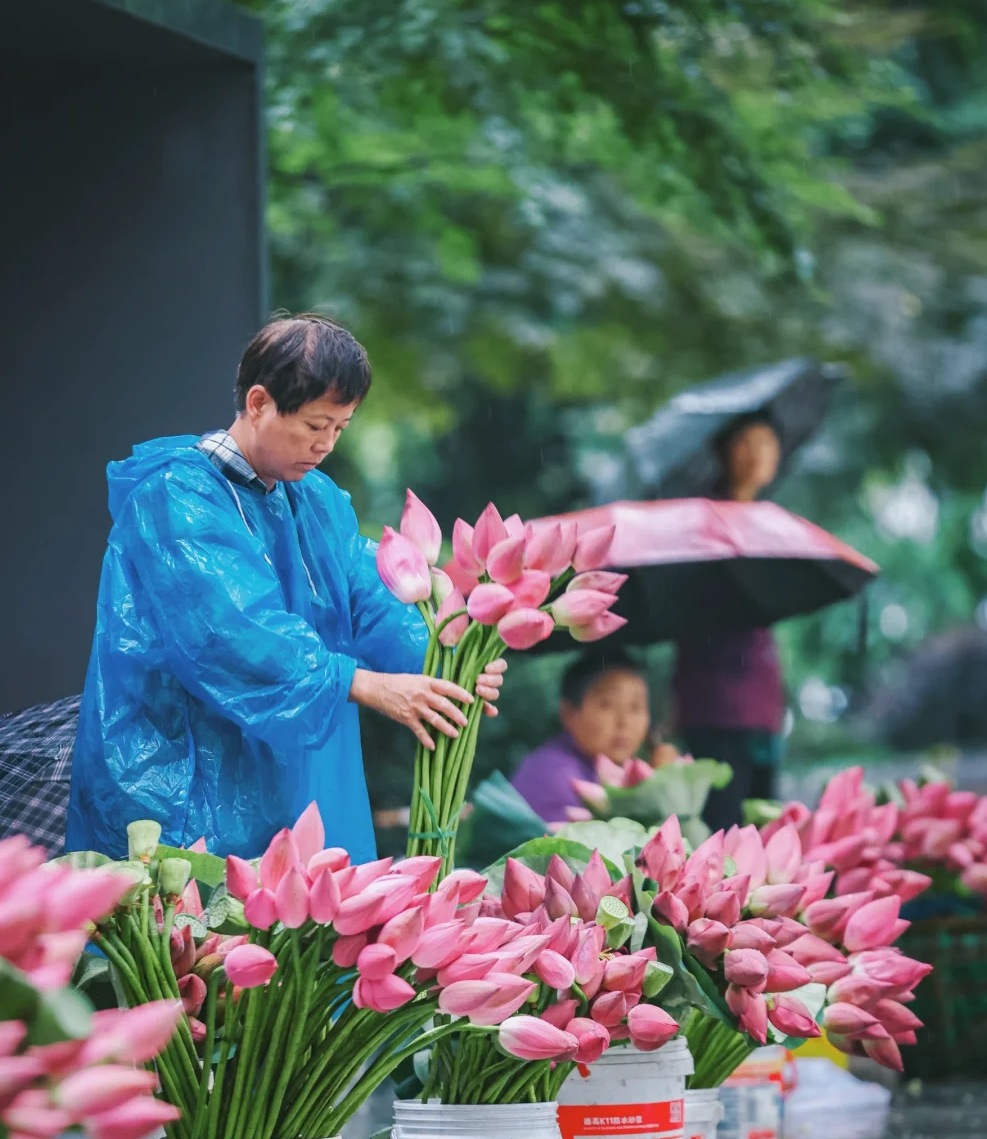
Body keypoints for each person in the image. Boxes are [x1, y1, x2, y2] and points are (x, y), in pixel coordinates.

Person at [66, 314, 505, 862]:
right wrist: (363, 684)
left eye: (340, 428)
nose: (325, 444)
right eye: (315, 425)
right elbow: (232, 633)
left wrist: (447, 657)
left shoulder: (314, 499)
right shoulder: (176, 497)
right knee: (190, 933)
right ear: (258, 402)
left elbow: (370, 596)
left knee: (301, 930)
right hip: (180, 772)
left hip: (284, 774)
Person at [672, 410, 785, 830]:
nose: (758, 454)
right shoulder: (700, 521)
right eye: (746, 442)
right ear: (723, 450)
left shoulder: (772, 522)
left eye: (768, 443)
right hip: (713, 699)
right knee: (722, 824)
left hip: (763, 700)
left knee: (763, 824)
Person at [510, 649, 675, 824]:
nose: (625, 722)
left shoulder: (616, 771)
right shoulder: (550, 774)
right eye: (607, 705)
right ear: (568, 713)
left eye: (636, 707)